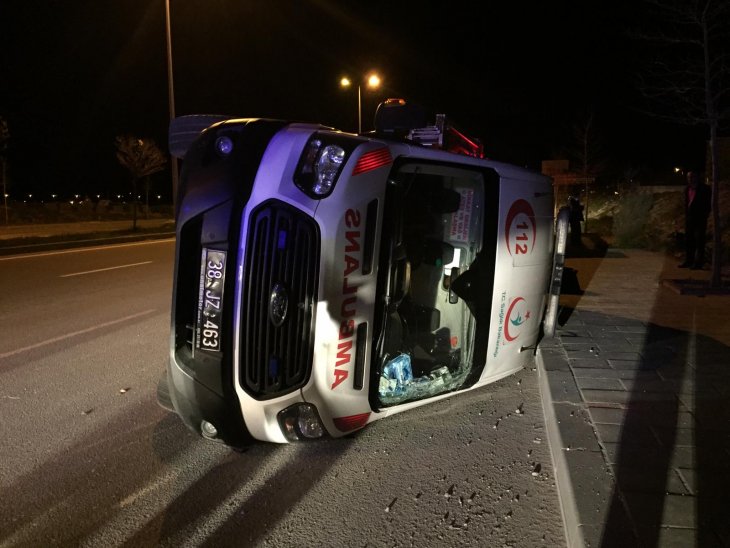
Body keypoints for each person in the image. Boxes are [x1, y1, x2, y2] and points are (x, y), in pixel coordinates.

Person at [679, 171, 711, 269]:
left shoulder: (704, 189)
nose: (690, 179)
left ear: (697, 177)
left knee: (699, 241)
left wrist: (704, 215)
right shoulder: (687, 189)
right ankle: (689, 261)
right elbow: (687, 204)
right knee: (689, 240)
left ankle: (698, 263)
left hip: (700, 219)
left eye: (692, 177)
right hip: (690, 219)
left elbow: (708, 204)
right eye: (688, 177)